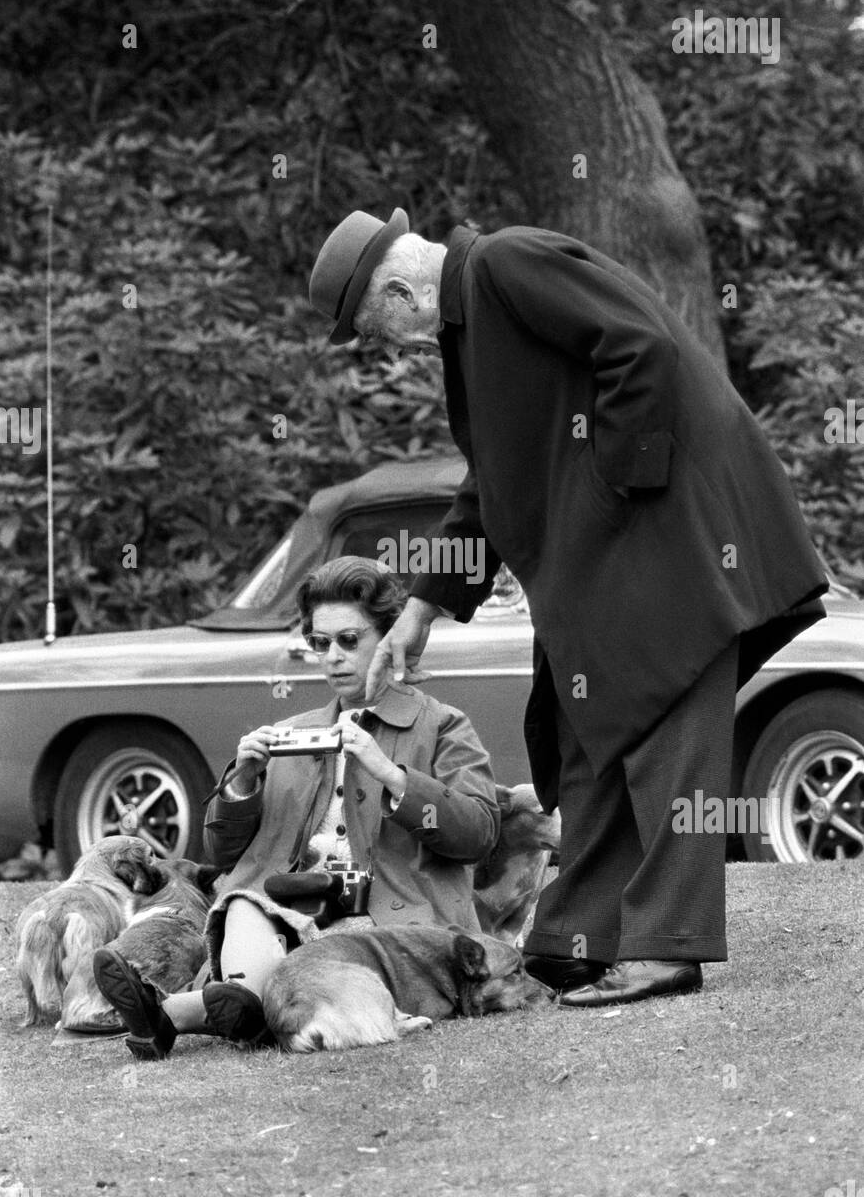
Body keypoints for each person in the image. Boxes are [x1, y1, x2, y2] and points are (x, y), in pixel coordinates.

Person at [307, 207, 828, 1007]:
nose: (379, 347)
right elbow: (491, 489)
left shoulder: (507, 266)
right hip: (620, 550)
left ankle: (666, 944)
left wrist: (606, 490)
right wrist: (420, 611)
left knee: (666, 722)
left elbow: (639, 346)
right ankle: (575, 934)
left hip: (670, 534)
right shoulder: (466, 333)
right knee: (585, 725)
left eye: (370, 327)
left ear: (402, 290)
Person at [93, 556, 499, 1058]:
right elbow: (222, 855)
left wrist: (394, 776)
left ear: (391, 636)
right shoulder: (291, 732)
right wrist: (242, 783)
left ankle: (176, 1013)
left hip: (388, 928)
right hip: (287, 917)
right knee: (244, 899)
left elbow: (479, 834)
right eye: (320, 643)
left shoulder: (441, 724)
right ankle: (231, 1005)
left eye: (350, 640)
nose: (332, 656)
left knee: (302, 955)